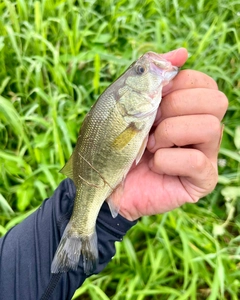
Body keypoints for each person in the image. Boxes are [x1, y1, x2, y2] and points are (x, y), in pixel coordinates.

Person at [0, 48, 228, 300]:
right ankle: (79, 230)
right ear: (126, 95)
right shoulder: (128, 112)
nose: (145, 69)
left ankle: (80, 230)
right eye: (140, 71)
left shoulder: (135, 111)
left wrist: (104, 219)